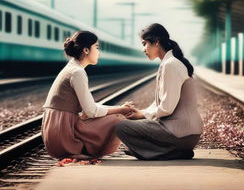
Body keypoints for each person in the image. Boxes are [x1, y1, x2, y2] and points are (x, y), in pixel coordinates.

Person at [115, 23, 204, 160]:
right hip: (188, 132)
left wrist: (143, 115)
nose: (143, 49)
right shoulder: (170, 62)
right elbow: (163, 101)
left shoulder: (170, 65)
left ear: (156, 42)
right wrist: (141, 113)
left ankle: (167, 153)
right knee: (133, 124)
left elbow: (166, 108)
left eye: (145, 44)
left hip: (181, 134)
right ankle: (169, 151)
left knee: (121, 127)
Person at [41, 30, 133, 160]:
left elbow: (89, 108)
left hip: (55, 134)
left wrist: (119, 107)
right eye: (96, 47)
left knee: (113, 114)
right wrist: (121, 110)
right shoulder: (77, 72)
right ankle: (80, 148)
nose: (99, 52)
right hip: (64, 137)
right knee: (117, 119)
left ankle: (82, 149)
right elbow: (91, 111)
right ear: (86, 50)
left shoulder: (71, 68)